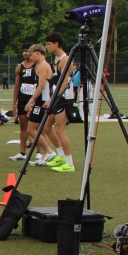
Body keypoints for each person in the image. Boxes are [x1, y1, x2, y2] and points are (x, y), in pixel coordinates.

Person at [44, 32, 76, 172]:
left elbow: (64, 83)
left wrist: (52, 99)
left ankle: (69, 164)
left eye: (48, 44)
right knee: (46, 127)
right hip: (57, 97)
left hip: (63, 98)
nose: (46, 47)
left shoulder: (65, 59)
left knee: (59, 129)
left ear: (56, 44)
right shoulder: (56, 59)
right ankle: (61, 156)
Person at [10, 43, 35, 161]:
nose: (25, 53)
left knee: (35, 126)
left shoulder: (37, 65)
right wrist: (14, 104)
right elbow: (16, 86)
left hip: (34, 99)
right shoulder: (19, 67)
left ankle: (40, 153)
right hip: (22, 99)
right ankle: (22, 152)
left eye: (27, 50)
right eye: (23, 51)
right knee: (23, 125)